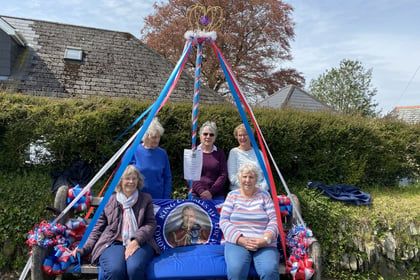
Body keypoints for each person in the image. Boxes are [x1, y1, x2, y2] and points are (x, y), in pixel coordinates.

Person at [73, 165, 160, 280]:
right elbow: (97, 229)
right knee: (115, 270)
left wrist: (136, 240)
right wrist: (84, 249)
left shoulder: (145, 199)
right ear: (120, 181)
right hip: (112, 242)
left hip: (141, 242)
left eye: (134, 179)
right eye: (127, 178)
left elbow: (150, 224)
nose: (131, 182)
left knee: (134, 268)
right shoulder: (110, 200)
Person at [220, 163, 279, 280]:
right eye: (244, 177)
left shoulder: (264, 195)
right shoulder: (232, 196)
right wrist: (240, 239)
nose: (247, 180)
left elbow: (274, 220)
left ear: (256, 179)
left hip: (264, 242)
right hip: (238, 242)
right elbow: (224, 221)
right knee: (236, 270)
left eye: (251, 177)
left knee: (269, 271)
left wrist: (265, 239)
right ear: (239, 178)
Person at [130, 117, 172, 199]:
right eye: (153, 137)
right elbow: (123, 175)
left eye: (158, 137)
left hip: (158, 199)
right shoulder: (133, 151)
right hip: (136, 199)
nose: (157, 140)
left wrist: (166, 197)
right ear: (145, 137)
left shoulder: (162, 154)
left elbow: (167, 177)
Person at [191, 121, 227, 200]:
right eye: (205, 134)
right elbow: (190, 176)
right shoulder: (193, 152)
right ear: (200, 136)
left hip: (216, 195)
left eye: (211, 135)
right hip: (197, 195)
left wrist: (211, 192)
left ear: (215, 138)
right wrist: (201, 192)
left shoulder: (220, 153)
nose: (208, 137)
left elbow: (223, 175)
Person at [227, 123, 268, 191]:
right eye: (240, 135)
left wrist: (261, 189)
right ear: (237, 137)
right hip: (240, 191)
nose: (242, 138)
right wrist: (248, 188)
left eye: (245, 135)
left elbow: (267, 176)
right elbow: (232, 177)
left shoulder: (259, 153)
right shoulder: (234, 152)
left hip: (259, 190)